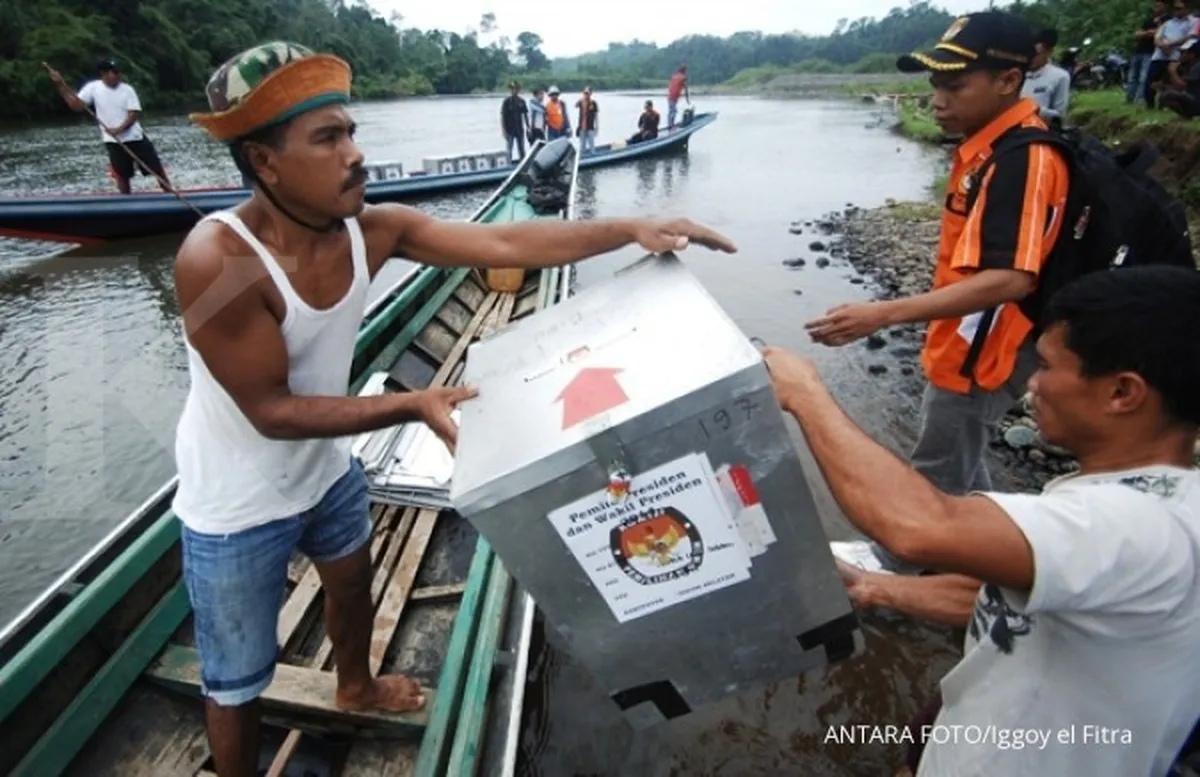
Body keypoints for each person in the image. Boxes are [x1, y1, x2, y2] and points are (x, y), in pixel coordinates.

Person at [173, 41, 736, 777]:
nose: (355, 154)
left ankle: (356, 685)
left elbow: (503, 238)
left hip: (325, 469)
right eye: (328, 139)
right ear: (264, 161)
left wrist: (629, 227)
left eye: (350, 132)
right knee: (236, 672)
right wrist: (413, 403)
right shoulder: (217, 261)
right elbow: (270, 412)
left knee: (351, 584)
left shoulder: (371, 230)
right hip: (237, 499)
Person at [762, 264, 1200, 777]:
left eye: (1047, 366)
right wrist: (877, 588)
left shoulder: (1137, 526)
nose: (1032, 384)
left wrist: (805, 394)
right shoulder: (1151, 500)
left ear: (1122, 392)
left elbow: (918, 526)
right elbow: (1014, 595)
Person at [810, 12, 1070, 575]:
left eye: (956, 86)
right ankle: (1000, 555)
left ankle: (893, 571)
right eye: (936, 85)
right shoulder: (987, 148)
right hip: (969, 332)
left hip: (989, 343)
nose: (938, 100)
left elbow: (1012, 279)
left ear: (1008, 80)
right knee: (962, 454)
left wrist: (882, 314)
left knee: (937, 459)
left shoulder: (1024, 159)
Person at [45, 57, 172, 194]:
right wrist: (61, 85)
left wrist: (119, 129)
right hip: (113, 141)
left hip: (135, 138)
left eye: (118, 72)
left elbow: (134, 114)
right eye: (114, 72)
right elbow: (76, 106)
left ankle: (169, 194)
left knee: (156, 169)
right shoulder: (93, 88)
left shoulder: (127, 90)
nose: (118, 75)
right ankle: (125, 201)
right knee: (122, 176)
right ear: (104, 74)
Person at [1149, 0, 1197, 107]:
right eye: (1175, 8)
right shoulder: (1168, 23)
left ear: (1187, 9)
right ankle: (1150, 104)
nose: (1176, 11)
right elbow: (1157, 36)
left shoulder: (1194, 21)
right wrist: (1162, 45)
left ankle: (1171, 103)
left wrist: (1170, 45)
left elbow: (1191, 37)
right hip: (1160, 55)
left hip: (1177, 55)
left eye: (1179, 8)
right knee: (1151, 81)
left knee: (1172, 81)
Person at [1021, 27, 1071, 128]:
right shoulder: (1018, 75)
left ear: (1048, 52)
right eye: (1028, 54)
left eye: (1036, 54)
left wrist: (1036, 110)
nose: (1031, 58)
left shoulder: (1060, 76)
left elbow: (1060, 115)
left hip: (1041, 131)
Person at [1130, 0, 1169, 104]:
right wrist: (1148, 33)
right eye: (1155, 5)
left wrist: (1146, 33)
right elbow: (1137, 34)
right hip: (1139, 50)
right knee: (1133, 77)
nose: (1156, 7)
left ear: (1164, 6)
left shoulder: (1167, 20)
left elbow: (1158, 33)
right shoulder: (1149, 20)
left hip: (1150, 51)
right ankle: (1130, 98)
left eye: (1159, 5)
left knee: (1144, 77)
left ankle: (1140, 98)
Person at [1161, 37, 1200, 116]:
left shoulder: (1197, 66)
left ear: (1192, 54)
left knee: (1168, 96)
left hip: (1197, 100)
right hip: (1192, 97)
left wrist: (1173, 72)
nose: (1181, 55)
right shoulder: (1187, 66)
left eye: (1184, 53)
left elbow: (1183, 85)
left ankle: (1187, 115)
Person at [500, 81, 529, 163]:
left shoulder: (522, 101)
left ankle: (523, 162)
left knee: (521, 148)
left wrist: (528, 127)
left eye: (516, 89)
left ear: (518, 90)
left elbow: (525, 115)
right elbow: (502, 116)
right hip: (509, 129)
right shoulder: (506, 101)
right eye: (512, 89)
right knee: (509, 148)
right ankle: (508, 163)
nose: (514, 91)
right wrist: (503, 130)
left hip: (519, 129)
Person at [575, 86, 599, 154]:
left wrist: (597, 127)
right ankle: (583, 156)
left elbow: (596, 115)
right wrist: (580, 100)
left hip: (590, 127)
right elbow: (575, 105)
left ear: (591, 93)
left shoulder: (593, 103)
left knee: (591, 144)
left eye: (587, 93)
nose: (586, 95)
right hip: (582, 127)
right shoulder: (581, 101)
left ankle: (593, 155)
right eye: (585, 93)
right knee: (582, 146)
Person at [667, 65, 689, 129]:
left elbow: (671, 84)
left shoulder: (674, 76)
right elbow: (685, 88)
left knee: (671, 110)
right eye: (686, 71)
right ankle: (671, 125)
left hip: (670, 95)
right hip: (674, 96)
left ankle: (670, 124)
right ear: (684, 71)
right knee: (673, 111)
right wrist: (687, 98)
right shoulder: (683, 78)